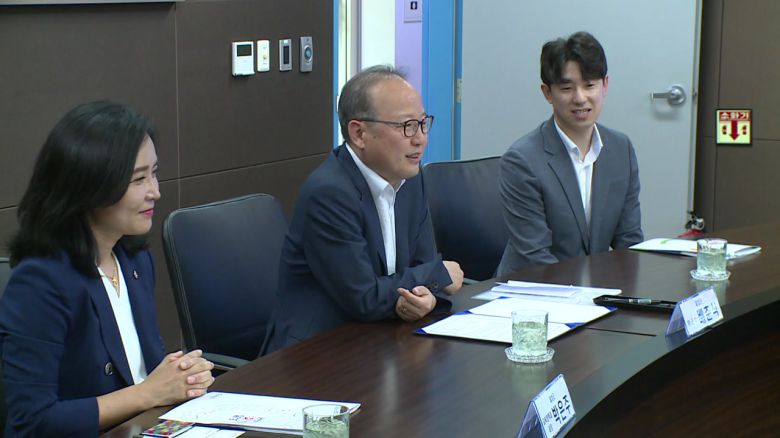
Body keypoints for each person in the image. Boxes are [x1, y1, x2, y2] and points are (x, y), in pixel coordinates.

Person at [0, 101, 215, 436]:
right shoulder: (41, 282)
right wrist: (149, 392)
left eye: (154, 173)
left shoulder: (133, 259)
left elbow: (144, 373)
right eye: (139, 179)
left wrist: (181, 376)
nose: (155, 192)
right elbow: (32, 420)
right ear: (90, 187)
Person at [262, 65, 464, 354]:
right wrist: (437, 276)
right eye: (406, 126)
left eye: (422, 123)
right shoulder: (329, 193)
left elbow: (423, 265)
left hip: (383, 339)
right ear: (359, 134)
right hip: (317, 353)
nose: (420, 138)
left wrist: (426, 297)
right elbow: (364, 296)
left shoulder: (410, 179)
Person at [496, 31, 643, 275]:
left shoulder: (621, 149)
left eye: (589, 85)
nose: (580, 98)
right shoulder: (522, 160)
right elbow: (535, 257)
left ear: (605, 85)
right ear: (547, 93)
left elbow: (629, 242)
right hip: (533, 287)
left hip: (593, 288)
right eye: (566, 88)